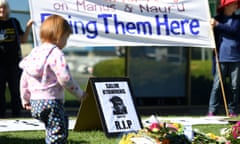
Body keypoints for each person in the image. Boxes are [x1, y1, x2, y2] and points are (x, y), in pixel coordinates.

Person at [19, 14, 88, 144]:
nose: (66, 42)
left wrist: (25, 98)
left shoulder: (35, 52)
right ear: (58, 35)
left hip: (35, 103)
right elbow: (65, 78)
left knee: (56, 124)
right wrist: (79, 93)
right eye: (66, 38)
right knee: (56, 133)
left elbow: (24, 78)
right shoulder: (56, 53)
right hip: (52, 102)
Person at [0, 0, 33, 117]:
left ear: (8, 9)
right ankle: (1, 115)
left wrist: (28, 26)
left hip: (14, 63)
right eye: (0, 8)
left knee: (16, 89)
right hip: (0, 64)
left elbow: (23, 40)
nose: (2, 10)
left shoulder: (14, 22)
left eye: (4, 8)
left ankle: (16, 113)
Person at [208, 0, 240, 117]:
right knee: (217, 85)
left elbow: (234, 31)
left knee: (235, 86)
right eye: (233, 4)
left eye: (236, 4)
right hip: (220, 57)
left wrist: (217, 25)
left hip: (235, 57)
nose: (236, 6)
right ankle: (212, 110)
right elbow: (210, 34)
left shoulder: (237, 20)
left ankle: (232, 110)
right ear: (226, 6)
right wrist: (212, 27)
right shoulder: (217, 18)